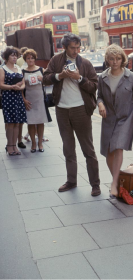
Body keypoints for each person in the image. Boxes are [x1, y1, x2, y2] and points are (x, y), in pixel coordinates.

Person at [43, 33, 101, 196]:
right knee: (68, 148)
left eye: (78, 47)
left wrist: (79, 78)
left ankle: (95, 184)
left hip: (81, 110)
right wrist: (59, 76)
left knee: (88, 149)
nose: (76, 51)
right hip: (61, 109)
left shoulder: (86, 63)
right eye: (72, 48)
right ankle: (71, 181)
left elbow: (93, 87)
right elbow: (45, 79)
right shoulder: (56, 61)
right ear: (65, 47)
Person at [97, 44, 133, 197]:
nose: (115, 62)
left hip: (125, 118)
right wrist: (100, 104)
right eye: (111, 59)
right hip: (108, 118)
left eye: (118, 58)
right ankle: (117, 180)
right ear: (107, 60)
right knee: (108, 152)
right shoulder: (102, 77)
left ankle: (114, 183)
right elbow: (99, 96)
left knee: (118, 147)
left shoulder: (130, 76)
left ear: (122, 59)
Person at [22, 49, 51, 153]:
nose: (30, 60)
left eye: (32, 58)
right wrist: (24, 100)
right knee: (30, 122)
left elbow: (48, 83)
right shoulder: (23, 71)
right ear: (25, 59)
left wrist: (42, 79)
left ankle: (40, 143)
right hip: (29, 100)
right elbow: (21, 88)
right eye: (28, 58)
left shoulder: (41, 70)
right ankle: (33, 143)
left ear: (35, 59)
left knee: (40, 121)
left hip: (40, 99)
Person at [0, 46, 27, 156]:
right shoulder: (2, 69)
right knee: (10, 122)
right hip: (8, 97)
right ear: (6, 57)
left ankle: (15, 145)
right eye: (12, 55)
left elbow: (23, 82)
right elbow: (1, 84)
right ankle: (9, 145)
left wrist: (21, 87)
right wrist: (12, 87)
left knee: (17, 123)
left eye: (16, 55)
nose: (15, 57)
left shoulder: (18, 68)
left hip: (18, 97)